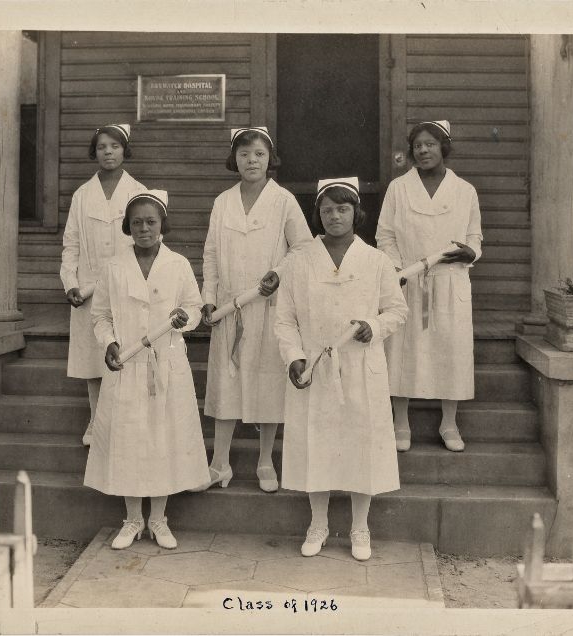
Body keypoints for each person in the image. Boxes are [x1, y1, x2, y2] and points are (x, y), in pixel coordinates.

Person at [274, 178, 408, 561]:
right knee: (318, 444)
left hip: (361, 365)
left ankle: (359, 527)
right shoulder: (298, 262)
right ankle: (318, 523)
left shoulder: (376, 261)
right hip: (316, 366)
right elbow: (284, 320)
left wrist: (375, 327)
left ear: (356, 213)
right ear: (318, 215)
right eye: (328, 210)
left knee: (360, 445)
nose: (335, 216)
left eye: (343, 209)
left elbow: (397, 310)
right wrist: (294, 356)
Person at [84, 190, 210, 550]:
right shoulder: (113, 266)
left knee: (162, 439)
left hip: (166, 364)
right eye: (136, 222)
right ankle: (133, 519)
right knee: (130, 439)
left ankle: (158, 519)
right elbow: (101, 316)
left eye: (150, 222)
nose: (143, 228)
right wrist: (109, 343)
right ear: (128, 226)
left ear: (162, 225)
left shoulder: (178, 264)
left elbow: (194, 307)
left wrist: (186, 320)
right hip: (128, 363)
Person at [194, 127, 312, 493]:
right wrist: (209, 297)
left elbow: (303, 248)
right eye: (244, 154)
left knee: (267, 383)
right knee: (227, 384)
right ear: (235, 159)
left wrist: (277, 273)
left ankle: (265, 461)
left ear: (269, 159)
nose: (251, 161)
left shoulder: (284, 201)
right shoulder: (223, 202)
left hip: (268, 306)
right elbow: (211, 253)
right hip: (230, 308)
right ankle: (220, 463)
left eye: (259, 154)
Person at [376, 120, 483, 453]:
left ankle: (449, 423)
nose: (423, 150)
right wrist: (398, 269)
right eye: (417, 146)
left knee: (451, 349)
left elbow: (474, 237)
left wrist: (470, 254)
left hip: (450, 282)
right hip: (409, 280)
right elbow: (386, 236)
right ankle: (400, 422)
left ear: (443, 147)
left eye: (430, 144)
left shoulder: (464, 191)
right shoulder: (398, 188)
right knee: (402, 349)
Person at [60, 123, 148, 447]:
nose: (108, 152)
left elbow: (147, 242)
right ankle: (96, 420)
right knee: (94, 358)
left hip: (125, 287)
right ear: (94, 152)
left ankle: (122, 420)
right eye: (102, 147)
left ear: (125, 150)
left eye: (114, 146)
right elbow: (71, 245)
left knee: (123, 350)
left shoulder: (138, 192)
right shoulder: (82, 195)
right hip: (89, 290)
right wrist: (70, 282)